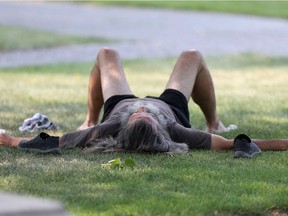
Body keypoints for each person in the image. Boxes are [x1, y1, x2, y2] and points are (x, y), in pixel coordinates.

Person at [0, 48, 287, 158]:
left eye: (138, 115)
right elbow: (233, 142)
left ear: (126, 125)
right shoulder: (178, 132)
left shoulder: (111, 125)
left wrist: (11, 140)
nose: (141, 110)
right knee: (192, 56)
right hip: (170, 110)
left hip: (117, 105)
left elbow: (54, 141)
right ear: (160, 129)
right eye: (143, 115)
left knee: (106, 54)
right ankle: (213, 120)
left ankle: (89, 117)